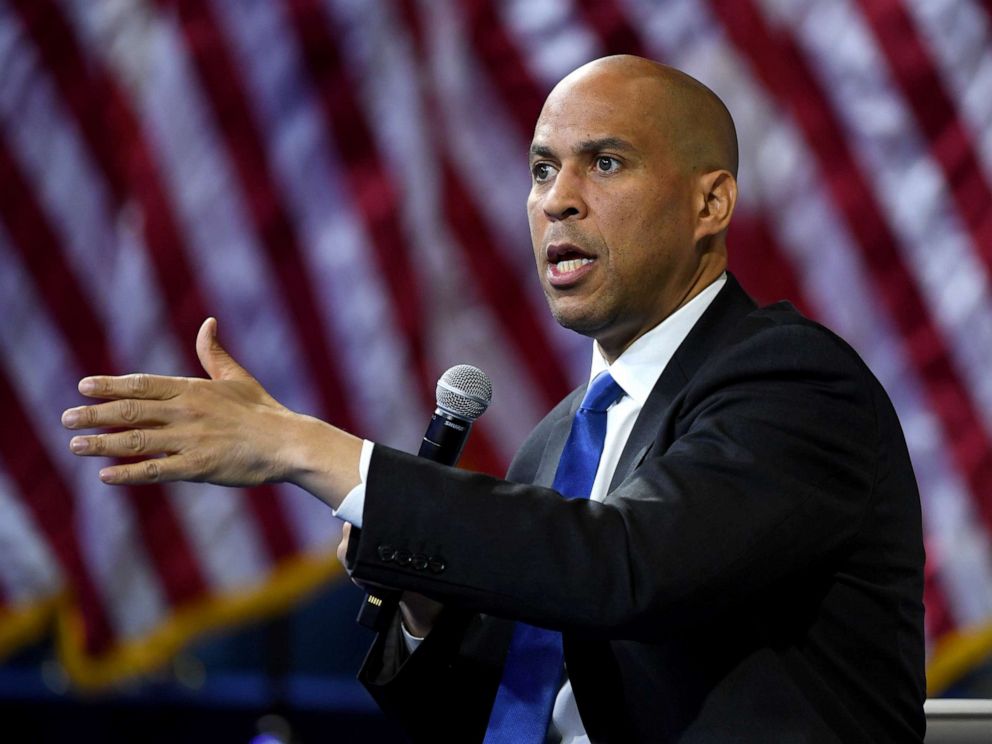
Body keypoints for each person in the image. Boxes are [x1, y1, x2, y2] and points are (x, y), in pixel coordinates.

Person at [63, 55, 925, 742]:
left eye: (607, 163)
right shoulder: (556, 443)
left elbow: (624, 570)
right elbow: (498, 712)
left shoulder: (792, 387)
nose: (560, 200)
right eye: (543, 169)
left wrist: (307, 449)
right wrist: (431, 607)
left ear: (711, 202)